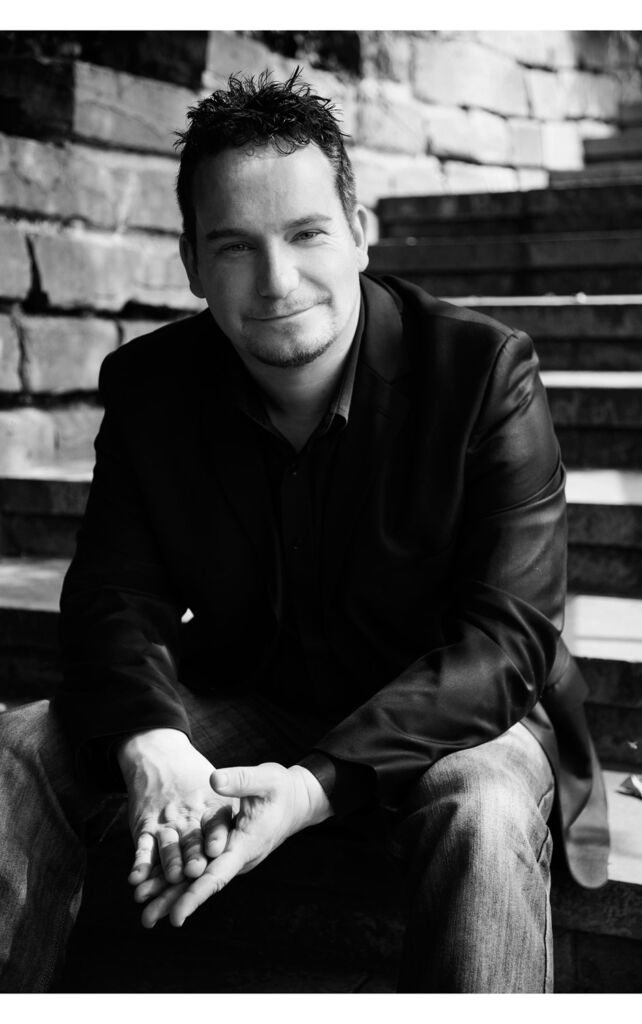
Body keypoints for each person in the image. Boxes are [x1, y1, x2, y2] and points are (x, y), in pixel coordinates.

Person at [0, 68, 608, 994]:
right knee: (20, 750)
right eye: (235, 247)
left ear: (358, 234)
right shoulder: (152, 389)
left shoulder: (483, 371)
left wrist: (313, 787)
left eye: (307, 233)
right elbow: (118, 592)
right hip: (265, 692)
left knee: (483, 814)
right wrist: (152, 742)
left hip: (455, 713)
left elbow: (506, 640)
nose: (277, 281)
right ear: (193, 263)